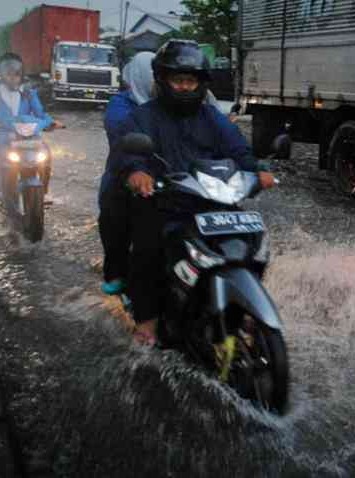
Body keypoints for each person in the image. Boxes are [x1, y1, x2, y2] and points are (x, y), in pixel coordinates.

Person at [110, 40, 275, 345]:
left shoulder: (212, 117)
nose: (185, 87)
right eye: (178, 80)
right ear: (163, 80)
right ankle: (148, 319)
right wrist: (138, 172)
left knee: (247, 239)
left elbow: (237, 147)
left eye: (191, 81)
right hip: (163, 201)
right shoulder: (142, 117)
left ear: (200, 83)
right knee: (147, 246)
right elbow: (126, 152)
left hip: (211, 200)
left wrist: (257, 170)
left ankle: (244, 301)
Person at [99, 51, 155, 296]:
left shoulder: (168, 104)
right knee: (115, 222)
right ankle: (116, 273)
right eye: (153, 77)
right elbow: (121, 137)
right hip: (124, 175)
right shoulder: (120, 105)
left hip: (164, 175)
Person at [0, 53, 63, 198]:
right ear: (1, 74)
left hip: (27, 137)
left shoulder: (28, 93)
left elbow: (40, 114)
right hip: (1, 135)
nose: (12, 77)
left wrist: (51, 122)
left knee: (46, 154)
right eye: (8, 74)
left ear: (21, 73)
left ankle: (43, 191)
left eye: (16, 74)